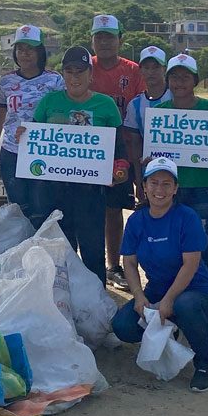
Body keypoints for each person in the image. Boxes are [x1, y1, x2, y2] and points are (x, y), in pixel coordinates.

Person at [111, 157, 208, 393]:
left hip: (195, 290)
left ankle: (204, 365)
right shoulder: (137, 220)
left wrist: (169, 300)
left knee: (185, 305)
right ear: (145, 187)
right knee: (123, 326)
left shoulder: (187, 217)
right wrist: (139, 296)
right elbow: (128, 262)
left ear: (175, 188)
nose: (160, 190)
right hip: (156, 290)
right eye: (154, 183)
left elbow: (191, 264)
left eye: (167, 184)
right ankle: (174, 329)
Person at [154, 53, 208, 348]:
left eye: (185, 77)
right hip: (168, 194)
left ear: (195, 81)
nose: (179, 82)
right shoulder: (160, 113)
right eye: (174, 77)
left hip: (201, 191)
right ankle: (173, 313)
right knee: (171, 254)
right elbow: (154, 159)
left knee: (203, 253)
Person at [28, 46, 125, 284]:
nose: (74, 77)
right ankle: (63, 306)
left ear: (91, 74)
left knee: (93, 251)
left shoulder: (106, 105)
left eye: (80, 71)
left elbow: (119, 148)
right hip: (55, 191)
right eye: (69, 71)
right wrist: (25, 135)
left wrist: (119, 170)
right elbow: (34, 140)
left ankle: (96, 307)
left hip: (91, 192)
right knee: (61, 251)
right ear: (63, 75)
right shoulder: (49, 102)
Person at [88, 14, 145, 288]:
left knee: (113, 208)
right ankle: (89, 264)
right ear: (92, 40)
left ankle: (114, 265)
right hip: (87, 149)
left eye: (110, 36)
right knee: (86, 208)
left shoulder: (133, 71)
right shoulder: (84, 67)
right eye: (99, 37)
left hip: (121, 147)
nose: (104, 42)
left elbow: (143, 109)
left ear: (120, 39)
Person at [0, 24, 64, 227]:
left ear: (40, 51)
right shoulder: (5, 82)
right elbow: (0, 115)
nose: (25, 54)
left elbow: (60, 118)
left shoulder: (55, 80)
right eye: (20, 49)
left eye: (30, 49)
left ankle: (42, 255)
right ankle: (19, 255)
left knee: (41, 209)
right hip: (12, 152)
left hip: (42, 152)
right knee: (18, 210)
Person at [123, 45, 172, 213]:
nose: (151, 72)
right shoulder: (135, 104)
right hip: (150, 173)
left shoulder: (176, 97)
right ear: (140, 70)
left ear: (164, 69)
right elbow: (135, 147)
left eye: (156, 67)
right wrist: (138, 181)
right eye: (147, 67)